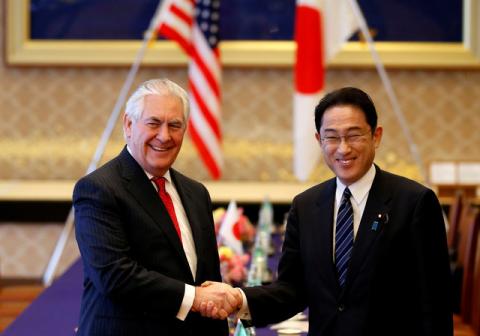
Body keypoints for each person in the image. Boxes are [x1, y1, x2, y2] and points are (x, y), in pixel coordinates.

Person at [201, 87, 453, 335]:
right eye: (331, 137)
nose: (343, 149)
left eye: (354, 135)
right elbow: (292, 290)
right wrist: (238, 299)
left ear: (376, 136)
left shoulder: (415, 202)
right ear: (318, 140)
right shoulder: (306, 206)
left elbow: (434, 304)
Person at [73, 79, 239, 336]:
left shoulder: (196, 193)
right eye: (153, 123)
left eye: (175, 125)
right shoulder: (99, 189)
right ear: (129, 125)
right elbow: (115, 276)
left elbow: (208, 280)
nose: (164, 136)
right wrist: (194, 297)